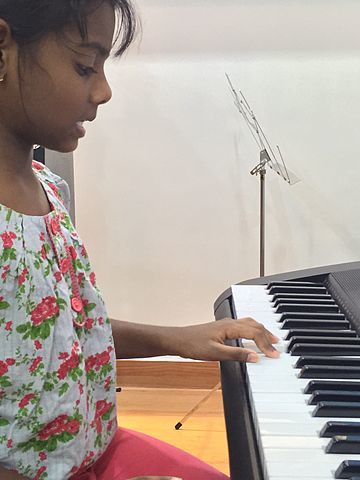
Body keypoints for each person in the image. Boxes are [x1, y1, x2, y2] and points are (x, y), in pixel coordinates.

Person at [0, 1, 280, 479]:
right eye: (85, 66)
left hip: (99, 450)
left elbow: (58, 335)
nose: (104, 91)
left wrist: (178, 339)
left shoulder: (49, 188)